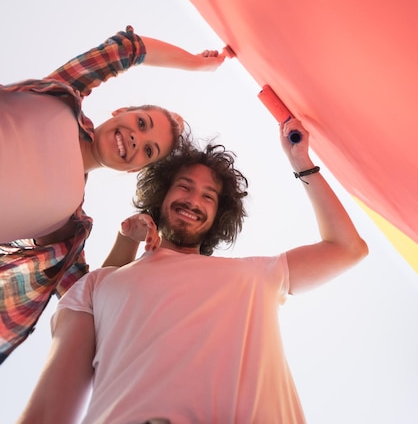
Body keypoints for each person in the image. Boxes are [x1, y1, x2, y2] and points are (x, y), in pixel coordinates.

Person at [17, 119, 369, 424]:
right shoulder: (97, 286)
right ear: (162, 195)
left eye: (208, 196)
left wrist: (301, 161)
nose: (193, 200)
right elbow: (50, 406)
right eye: (184, 187)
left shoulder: (256, 275)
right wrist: (125, 241)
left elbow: (348, 249)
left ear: (219, 216)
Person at [0, 25, 228, 362]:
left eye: (149, 151)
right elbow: (125, 51)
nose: (137, 139)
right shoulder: (61, 97)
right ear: (121, 111)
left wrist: (128, 240)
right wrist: (197, 64)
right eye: (141, 123)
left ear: (134, 170)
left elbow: (87, 300)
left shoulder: (65, 223)